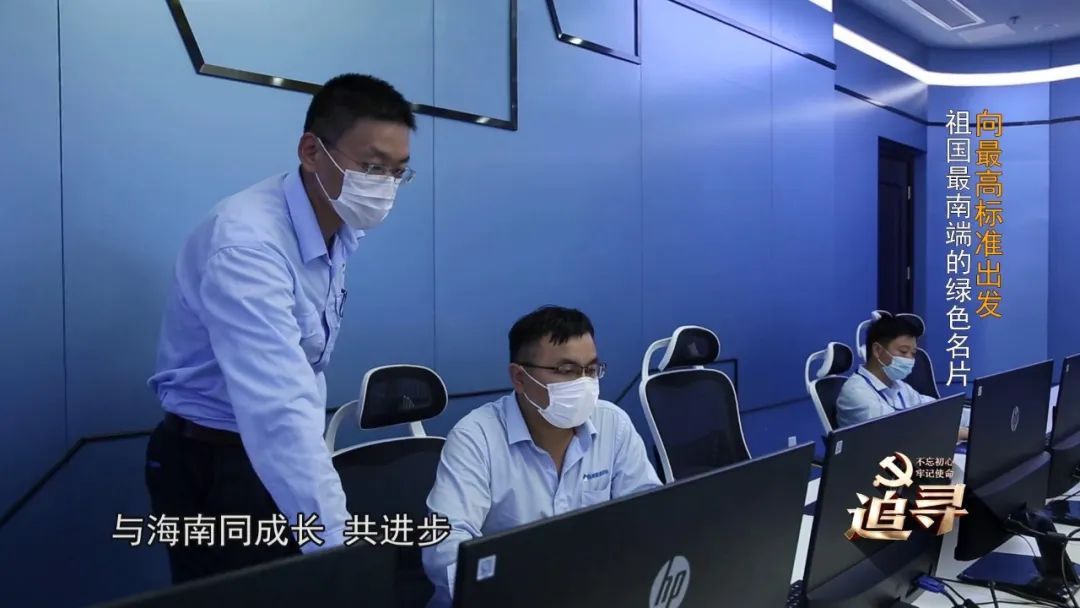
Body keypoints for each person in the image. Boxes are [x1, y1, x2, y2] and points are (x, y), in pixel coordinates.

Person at [145, 73, 416, 583]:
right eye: (372, 167)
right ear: (312, 151)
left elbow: (302, 369)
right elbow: (277, 408)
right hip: (215, 464)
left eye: (398, 173)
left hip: (273, 452)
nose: (384, 186)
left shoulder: (336, 225)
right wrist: (343, 552)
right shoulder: (248, 245)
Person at [421, 306, 662, 606]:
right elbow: (445, 548)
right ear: (519, 378)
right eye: (566, 371)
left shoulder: (613, 424)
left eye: (591, 370)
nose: (584, 384)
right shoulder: (476, 437)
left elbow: (650, 514)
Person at [836, 315, 969, 440]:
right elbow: (898, 433)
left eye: (913, 353)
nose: (910, 359)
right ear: (877, 350)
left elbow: (938, 410)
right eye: (903, 351)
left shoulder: (899, 386)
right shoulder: (856, 392)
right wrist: (959, 432)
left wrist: (975, 417)